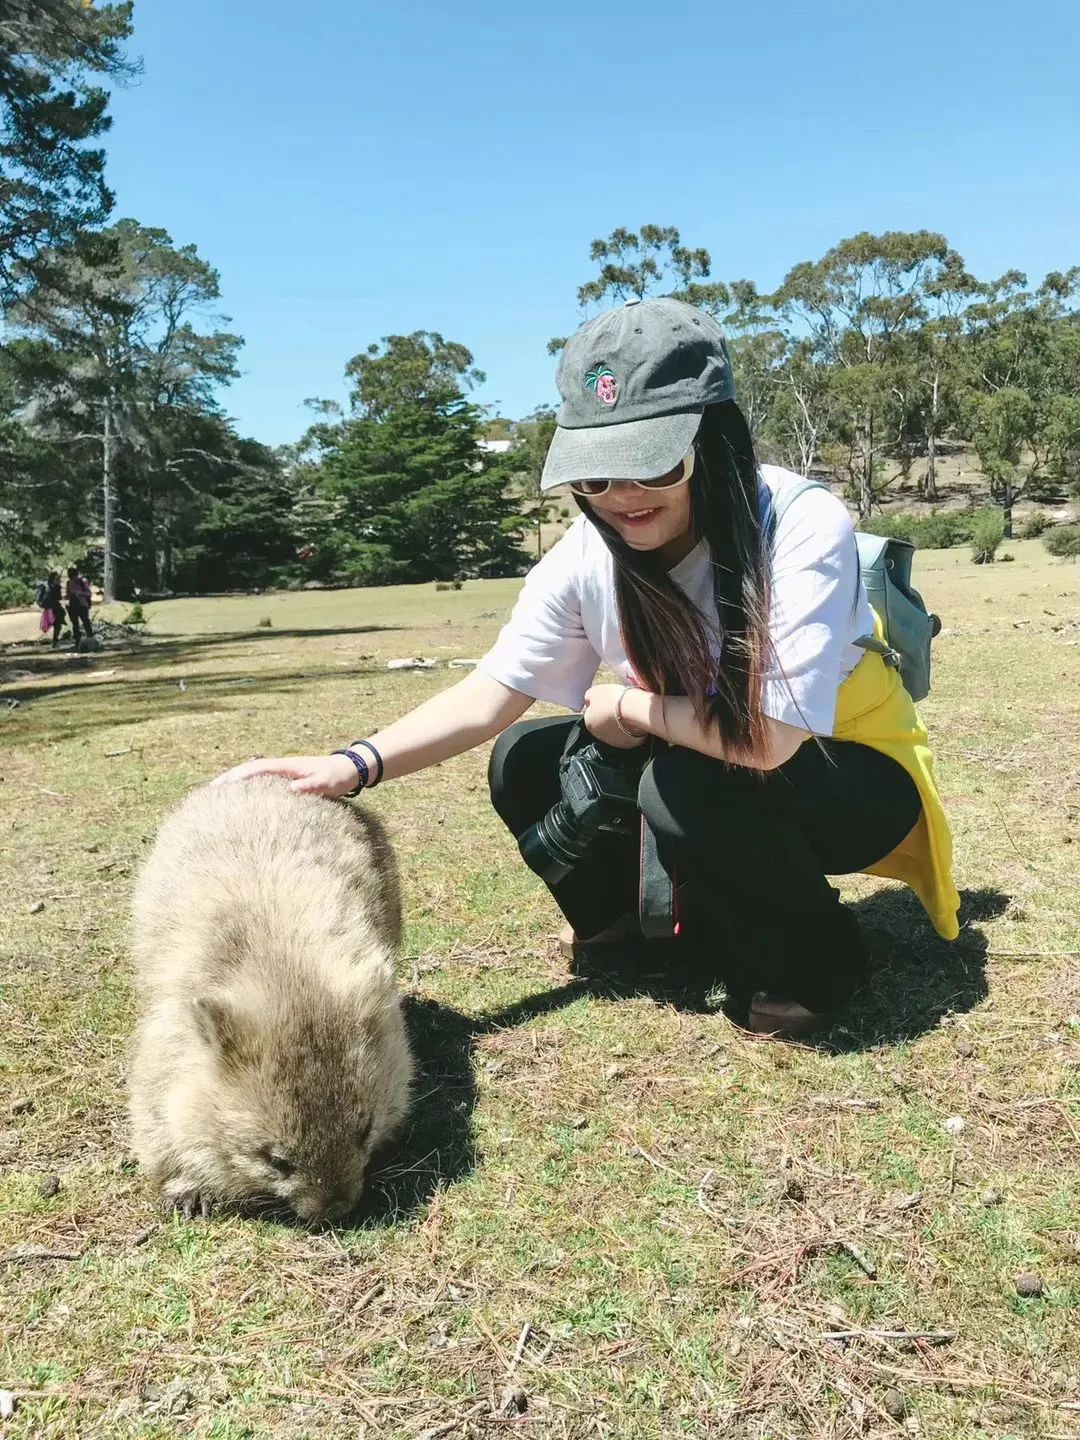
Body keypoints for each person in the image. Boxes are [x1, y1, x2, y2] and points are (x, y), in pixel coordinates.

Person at [214, 298, 960, 1038]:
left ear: (716, 441)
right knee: (525, 758)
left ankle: (822, 960)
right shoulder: (584, 556)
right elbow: (489, 696)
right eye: (593, 474)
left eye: (650, 465)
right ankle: (626, 934)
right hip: (709, 760)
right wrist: (351, 765)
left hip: (850, 775)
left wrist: (629, 708)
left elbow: (768, 742)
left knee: (686, 785)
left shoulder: (796, 523)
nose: (621, 499)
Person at [65, 565, 94, 645]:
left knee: (86, 621)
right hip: (73, 605)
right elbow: (68, 594)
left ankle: (90, 638)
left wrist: (80, 593)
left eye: (73, 576)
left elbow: (89, 593)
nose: (72, 578)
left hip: (82, 605)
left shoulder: (81, 582)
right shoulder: (68, 583)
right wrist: (69, 596)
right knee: (75, 624)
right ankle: (77, 640)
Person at [40, 570, 66, 648]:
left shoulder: (47, 586)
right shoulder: (56, 587)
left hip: (48, 608)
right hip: (55, 608)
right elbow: (58, 597)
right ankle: (55, 641)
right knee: (57, 625)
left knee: (56, 625)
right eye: (57, 578)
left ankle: (55, 641)